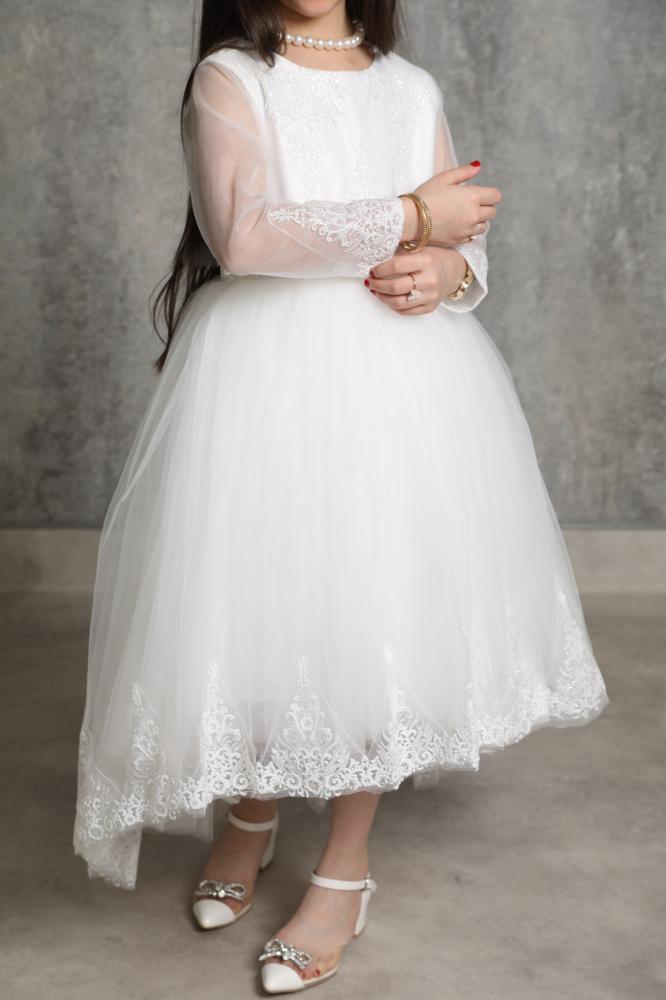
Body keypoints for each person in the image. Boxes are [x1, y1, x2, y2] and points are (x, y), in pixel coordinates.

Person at [73, 1, 610, 993]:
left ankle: (344, 868)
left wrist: (448, 267)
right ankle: (253, 809)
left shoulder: (409, 89)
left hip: (400, 381)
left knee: (370, 608)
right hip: (263, 379)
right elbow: (246, 237)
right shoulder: (233, 77)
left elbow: (467, 242)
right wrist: (413, 216)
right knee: (260, 599)